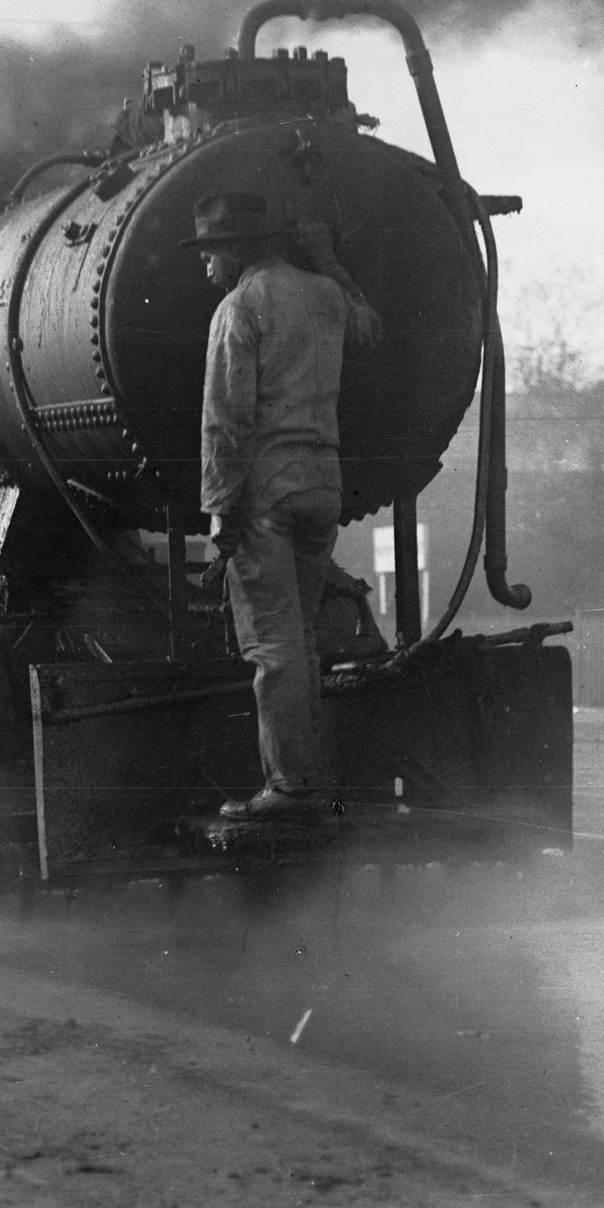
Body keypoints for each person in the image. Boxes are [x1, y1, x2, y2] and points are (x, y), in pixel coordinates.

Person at [187, 191, 368, 822]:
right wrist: (330, 259)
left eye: (211, 251)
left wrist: (219, 508)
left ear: (237, 249)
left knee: (273, 645)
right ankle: (313, 778)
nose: (205, 264)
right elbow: (371, 324)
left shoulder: (239, 308)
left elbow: (225, 418)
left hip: (267, 492)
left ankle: (290, 788)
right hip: (323, 484)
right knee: (303, 639)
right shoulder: (327, 295)